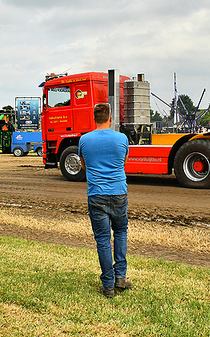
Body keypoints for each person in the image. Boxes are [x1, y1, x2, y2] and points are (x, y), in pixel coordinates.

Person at [78, 103, 131, 298]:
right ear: (110, 118)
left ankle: (108, 285)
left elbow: (84, 165)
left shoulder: (84, 140)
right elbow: (124, 163)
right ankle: (121, 277)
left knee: (102, 239)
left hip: (96, 194)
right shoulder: (122, 138)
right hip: (118, 193)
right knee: (120, 232)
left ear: (94, 119)